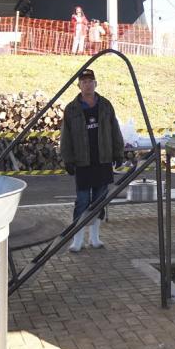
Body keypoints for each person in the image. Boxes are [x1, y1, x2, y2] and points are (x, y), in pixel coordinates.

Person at [59, 69, 125, 252]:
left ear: (96, 84)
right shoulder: (71, 109)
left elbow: (115, 130)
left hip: (102, 161)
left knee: (99, 200)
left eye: (91, 81)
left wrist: (118, 153)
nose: (87, 85)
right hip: (82, 162)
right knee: (81, 201)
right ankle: (77, 240)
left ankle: (95, 238)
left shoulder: (105, 105)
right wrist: (68, 159)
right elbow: (66, 136)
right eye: (84, 82)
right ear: (79, 85)